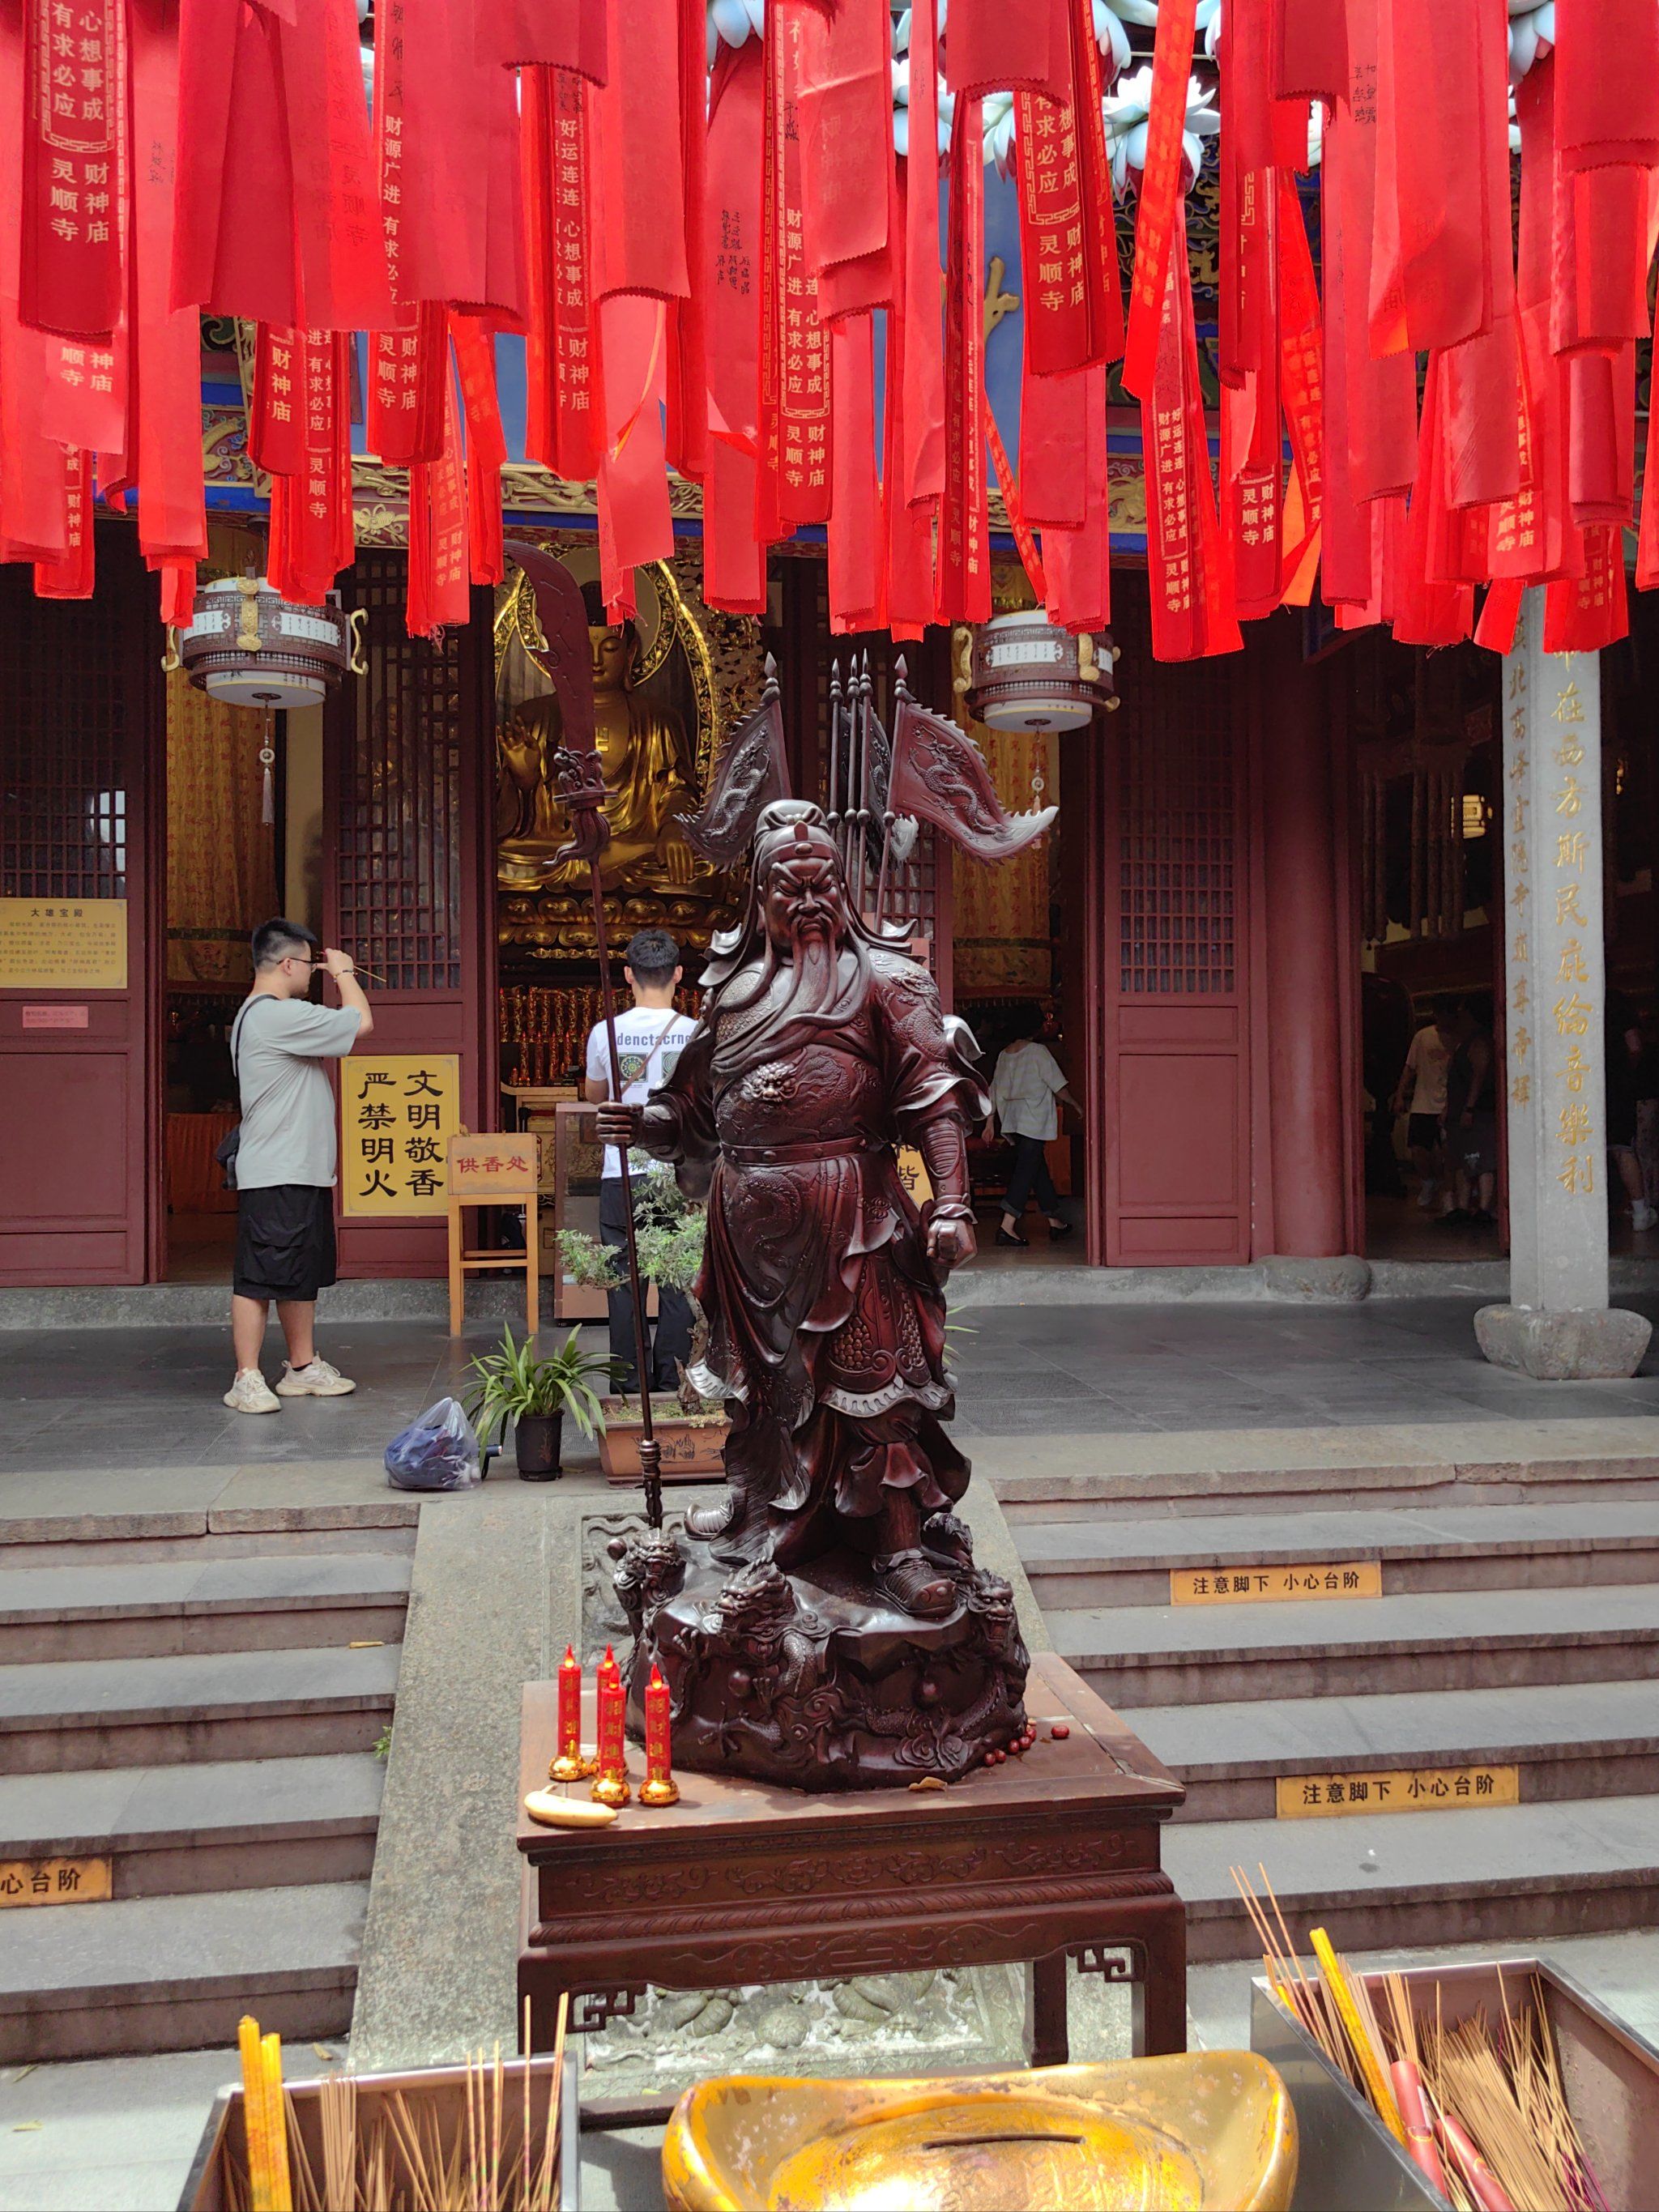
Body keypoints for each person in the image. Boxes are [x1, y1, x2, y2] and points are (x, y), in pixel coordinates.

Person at [225, 919, 373, 1413]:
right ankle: (246, 1377)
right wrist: (345, 972)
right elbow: (360, 1022)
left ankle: (302, 1366)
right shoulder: (274, 1014)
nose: (314, 972)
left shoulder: (269, 1015)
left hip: (297, 1168)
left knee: (297, 1273)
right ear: (288, 964)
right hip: (277, 1169)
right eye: (310, 964)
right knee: (258, 1276)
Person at [583, 927, 698, 1395]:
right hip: (679, 1174)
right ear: (678, 975)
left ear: (629, 975)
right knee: (677, 1280)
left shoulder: (605, 1032)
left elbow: (595, 1094)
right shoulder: (697, 1034)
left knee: (623, 1282)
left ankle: (629, 1386)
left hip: (622, 1171)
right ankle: (672, 1381)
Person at [986, 1006, 1078, 1247]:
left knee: (1036, 1167)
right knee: (1027, 1170)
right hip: (1034, 1119)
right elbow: (1057, 1085)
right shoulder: (1038, 1052)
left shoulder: (1004, 1055)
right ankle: (1007, 1226)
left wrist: (990, 1121)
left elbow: (994, 1089)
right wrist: (1076, 1105)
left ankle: (1055, 1221)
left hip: (1013, 1119)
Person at [1392, 999, 1457, 1213]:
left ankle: (1445, 1190)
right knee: (1417, 1148)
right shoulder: (1422, 1036)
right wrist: (1399, 1096)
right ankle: (1428, 1181)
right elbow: (1409, 1068)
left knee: (1446, 1152)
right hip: (1423, 1103)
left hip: (1447, 1102)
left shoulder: (1458, 1037)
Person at [1438, 999, 1498, 1228]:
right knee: (1462, 1160)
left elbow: (1479, 1076)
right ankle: (1462, 1208)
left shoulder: (1479, 1041)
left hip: (1477, 1111)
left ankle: (1484, 1208)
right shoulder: (1464, 1041)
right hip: (1460, 1110)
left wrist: (1469, 1108)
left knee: (1481, 1159)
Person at [1605, 985, 1656, 1233]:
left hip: (1578, 1082)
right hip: (1617, 1088)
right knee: (1622, 1149)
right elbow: (1634, 1046)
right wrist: (1624, 1073)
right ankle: (1640, 1213)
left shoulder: (1571, 999)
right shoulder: (1617, 1002)